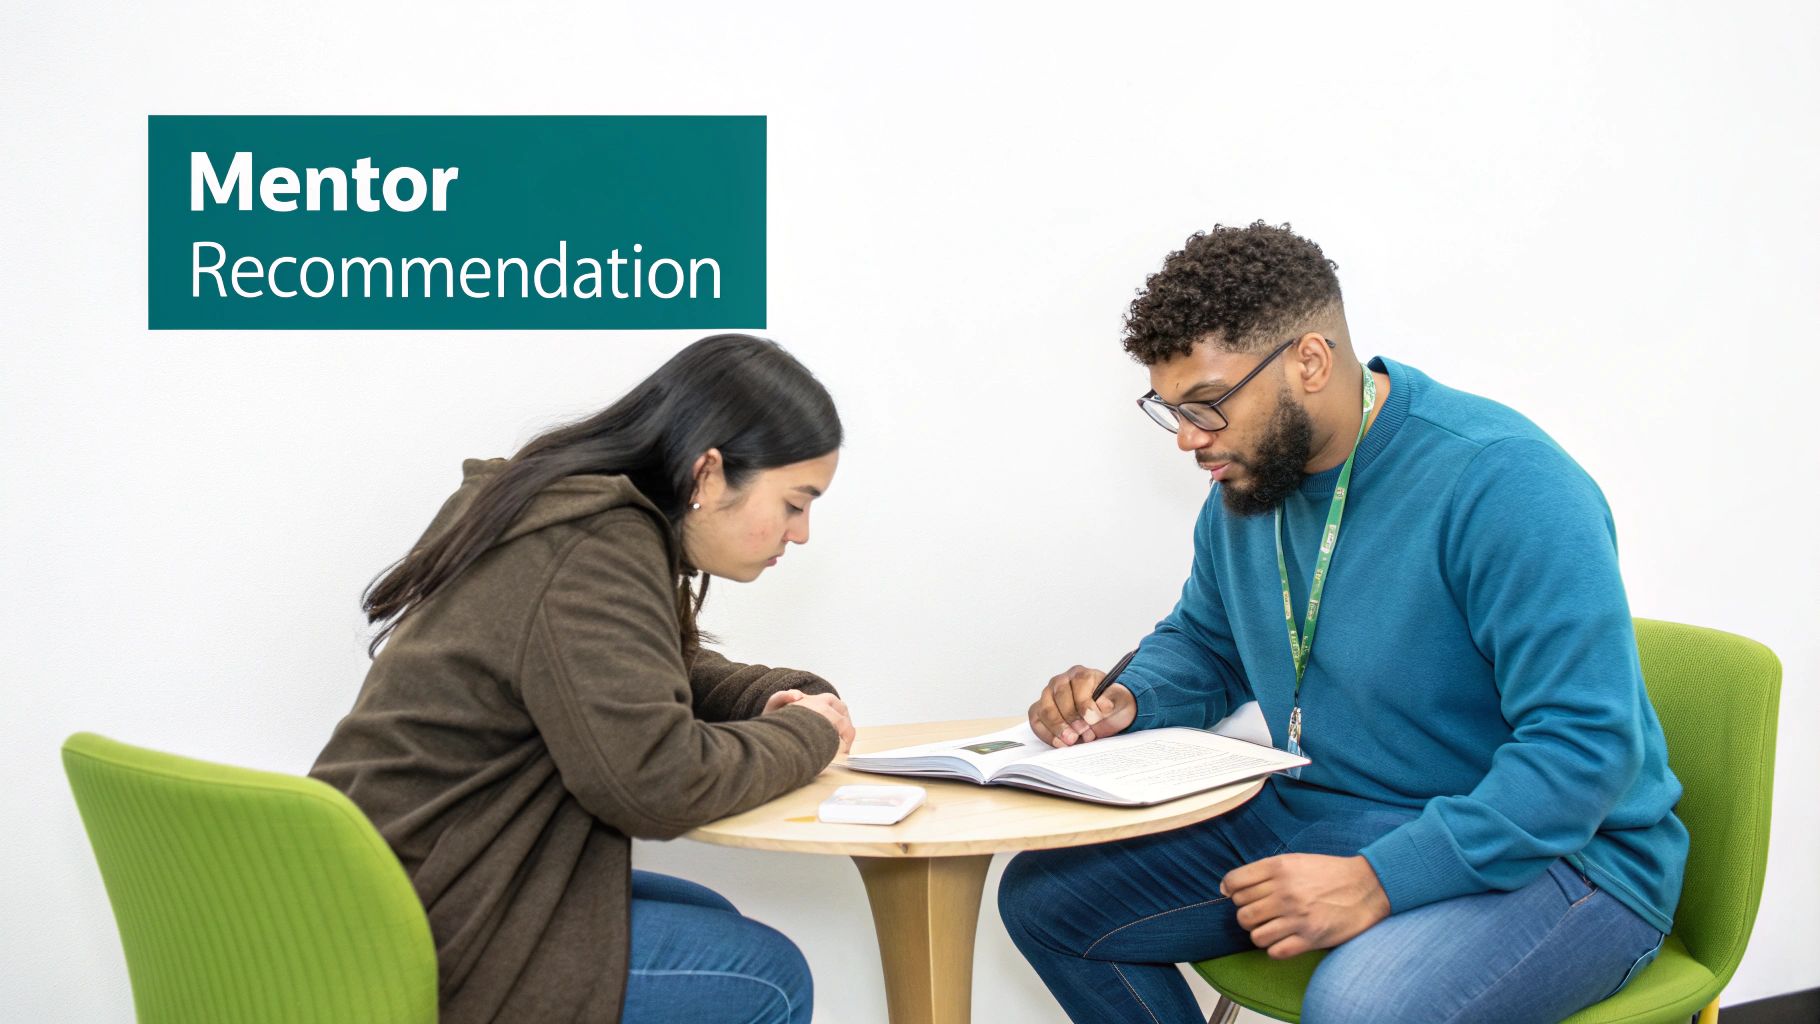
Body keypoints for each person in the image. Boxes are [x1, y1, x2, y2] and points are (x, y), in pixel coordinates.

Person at [997, 224, 1684, 1023]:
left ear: (1311, 363)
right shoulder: (1248, 487)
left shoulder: (1506, 483)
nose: (1188, 439)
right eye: (1172, 410)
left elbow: (1582, 751)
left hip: (1564, 855)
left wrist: (1378, 881)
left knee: (1362, 1007)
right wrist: (1131, 697)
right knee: (1050, 899)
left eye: (1209, 406)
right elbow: (1209, 641)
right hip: (1334, 809)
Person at [311, 333, 855, 1024]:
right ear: (709, 473)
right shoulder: (595, 544)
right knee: (766, 977)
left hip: (385, 881)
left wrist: (764, 698)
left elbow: (624, 664)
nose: (802, 533)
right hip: (426, 920)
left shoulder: (554, 511)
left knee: (711, 916)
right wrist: (804, 736)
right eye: (794, 502)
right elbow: (658, 782)